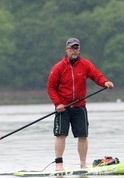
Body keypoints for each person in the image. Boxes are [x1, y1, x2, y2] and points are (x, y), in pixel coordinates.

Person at [47, 37, 114, 170]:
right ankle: (59, 165)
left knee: (83, 135)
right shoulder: (58, 67)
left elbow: (96, 75)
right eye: (72, 48)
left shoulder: (85, 64)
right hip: (63, 108)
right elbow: (51, 88)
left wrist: (105, 82)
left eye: (77, 48)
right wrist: (58, 103)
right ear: (67, 50)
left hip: (79, 107)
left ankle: (83, 164)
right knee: (61, 134)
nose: (75, 51)